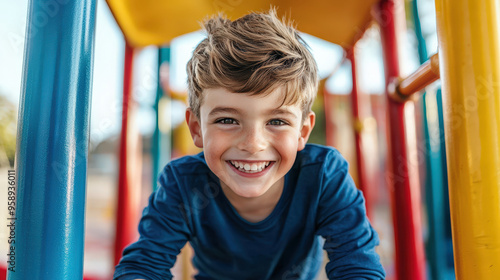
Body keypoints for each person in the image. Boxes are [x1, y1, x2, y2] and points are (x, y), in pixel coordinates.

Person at [114, 9, 385, 280]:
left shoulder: (323, 175)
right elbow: (144, 266)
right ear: (197, 128)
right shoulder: (184, 183)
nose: (253, 144)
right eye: (228, 119)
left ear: (302, 132)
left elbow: (357, 264)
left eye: (277, 122)